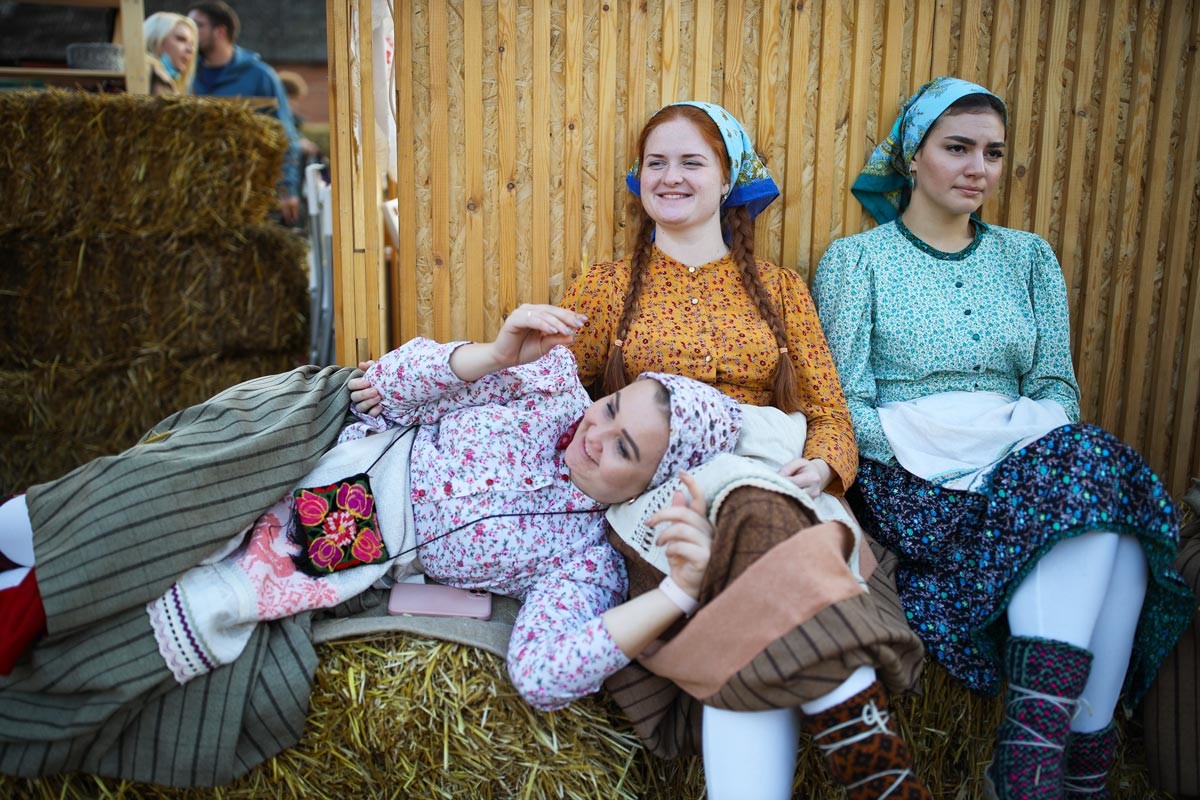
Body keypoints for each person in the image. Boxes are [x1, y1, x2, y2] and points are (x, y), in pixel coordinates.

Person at [0, 305, 739, 785]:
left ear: (646, 486)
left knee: (186, 602)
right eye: (611, 407)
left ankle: (31, 616)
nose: (595, 431)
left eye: (622, 450)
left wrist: (676, 593)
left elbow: (542, 673)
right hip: (324, 446)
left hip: (342, 544)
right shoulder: (546, 385)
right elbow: (379, 386)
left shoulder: (583, 560)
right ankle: (26, 553)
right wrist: (487, 355)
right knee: (153, 500)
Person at [812, 76, 1194, 800]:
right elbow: (846, 397)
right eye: (957, 148)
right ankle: (1069, 770)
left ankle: (1038, 766)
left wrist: (1017, 458)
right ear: (912, 155)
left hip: (1027, 454)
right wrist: (933, 458)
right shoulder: (856, 261)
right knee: (1099, 505)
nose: (977, 169)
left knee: (1100, 487)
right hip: (916, 474)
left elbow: (1057, 388)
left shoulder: (1028, 257)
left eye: (992, 153)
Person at [561, 101, 930, 800]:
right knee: (755, 516)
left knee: (761, 510)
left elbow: (829, 416)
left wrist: (822, 465)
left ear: (728, 179)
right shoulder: (605, 289)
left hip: (777, 479)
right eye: (656, 163)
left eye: (691, 162)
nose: (670, 177)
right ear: (638, 180)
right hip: (663, 510)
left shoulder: (782, 291)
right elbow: (556, 404)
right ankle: (869, 752)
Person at [187, 1, 301, 225]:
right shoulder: (187, 73)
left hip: (248, 190)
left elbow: (284, 133)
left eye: (197, 25)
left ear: (220, 31)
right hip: (198, 191)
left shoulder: (260, 76)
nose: (189, 31)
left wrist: (287, 187)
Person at [142, 11, 198, 94]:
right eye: (181, 39)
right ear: (155, 40)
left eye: (192, 44)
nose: (191, 49)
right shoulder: (144, 72)